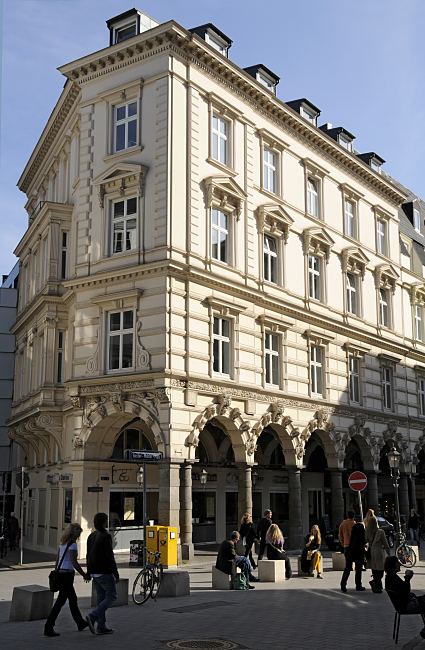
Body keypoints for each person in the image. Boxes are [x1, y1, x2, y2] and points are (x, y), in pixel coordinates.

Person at [44, 523, 89, 637]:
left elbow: (57, 561)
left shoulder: (62, 544)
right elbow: (74, 563)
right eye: (78, 533)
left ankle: (80, 623)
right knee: (61, 601)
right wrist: (84, 574)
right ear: (74, 533)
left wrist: (56, 573)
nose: (79, 535)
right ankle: (48, 627)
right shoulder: (73, 545)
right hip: (68, 575)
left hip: (61, 573)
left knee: (71, 599)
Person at [86, 513, 120, 635]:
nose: (108, 522)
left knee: (101, 598)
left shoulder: (91, 536)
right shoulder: (105, 536)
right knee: (112, 596)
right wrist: (115, 573)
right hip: (104, 571)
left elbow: (88, 555)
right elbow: (109, 556)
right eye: (106, 520)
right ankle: (93, 616)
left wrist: (89, 572)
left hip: (95, 572)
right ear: (103, 522)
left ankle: (101, 626)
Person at [385, 556, 425, 638]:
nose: (399, 564)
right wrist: (407, 578)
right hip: (405, 605)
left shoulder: (391, 577)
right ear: (393, 565)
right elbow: (405, 591)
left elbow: (404, 591)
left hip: (404, 602)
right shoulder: (392, 578)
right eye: (397, 563)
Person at [340, 518, 366, 593]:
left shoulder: (354, 529)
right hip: (358, 552)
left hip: (350, 551)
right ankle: (358, 585)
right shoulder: (361, 531)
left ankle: (343, 584)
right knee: (358, 570)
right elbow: (363, 542)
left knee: (347, 568)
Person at [369, 523, 390, 593]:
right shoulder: (381, 532)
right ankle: (375, 583)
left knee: (375, 569)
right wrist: (388, 552)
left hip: (372, 552)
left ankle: (378, 586)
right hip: (379, 552)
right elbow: (385, 543)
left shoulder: (369, 532)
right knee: (380, 570)